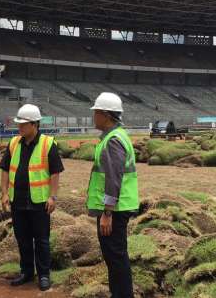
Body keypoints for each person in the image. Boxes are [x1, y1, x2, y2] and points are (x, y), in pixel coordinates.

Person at [0, 104, 63, 291]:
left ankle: (43, 275)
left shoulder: (48, 144)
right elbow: (4, 169)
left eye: (23, 124)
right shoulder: (13, 144)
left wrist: (53, 197)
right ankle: (26, 272)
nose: (19, 127)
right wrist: (4, 193)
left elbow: (55, 173)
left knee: (42, 240)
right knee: (23, 239)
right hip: (18, 202)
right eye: (19, 123)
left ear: (35, 124)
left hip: (39, 203)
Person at [86, 93, 139, 298]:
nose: (94, 117)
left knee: (116, 258)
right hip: (118, 206)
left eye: (96, 112)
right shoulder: (117, 136)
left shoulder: (112, 140)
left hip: (114, 210)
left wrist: (107, 212)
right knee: (115, 257)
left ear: (106, 115)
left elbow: (113, 177)